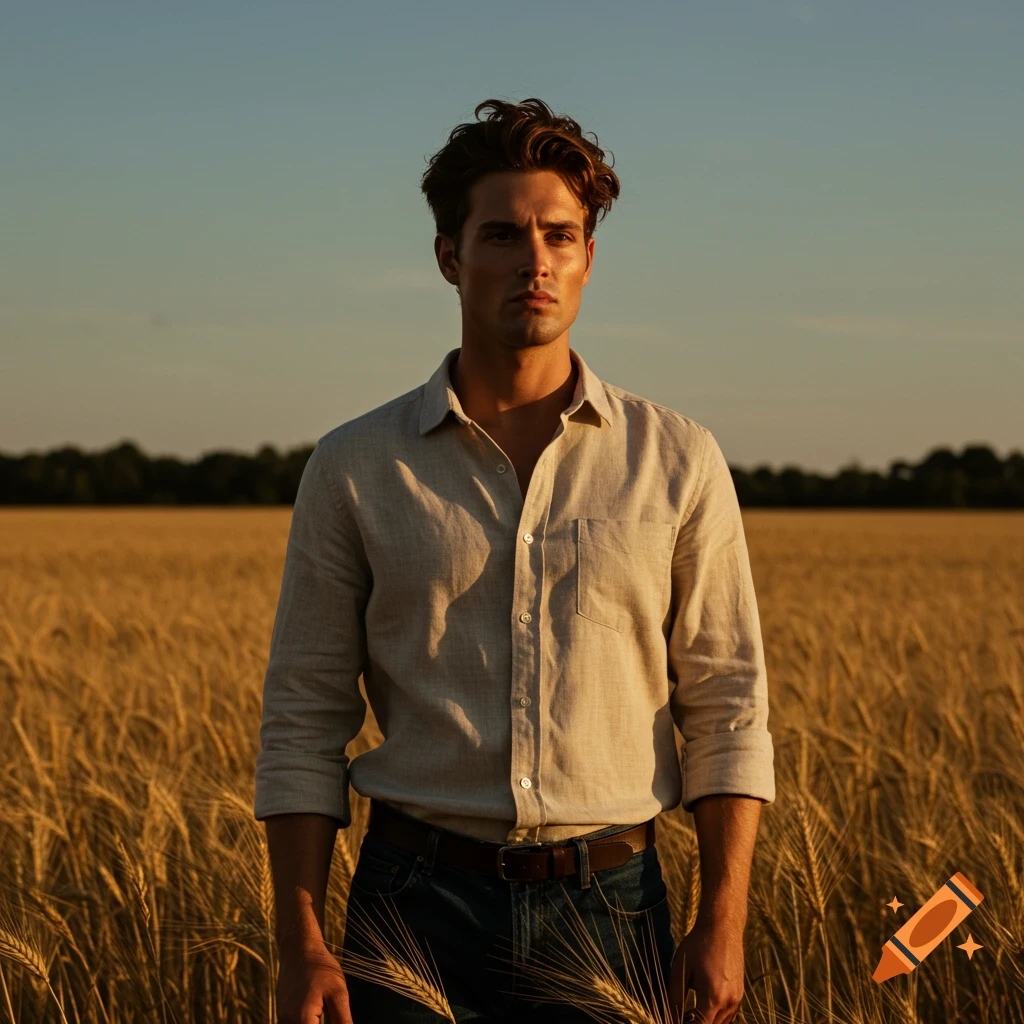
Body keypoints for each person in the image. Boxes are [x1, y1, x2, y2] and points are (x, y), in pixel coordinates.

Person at [254, 97, 775, 1024]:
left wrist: (722, 921)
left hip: (612, 908)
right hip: (414, 904)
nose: (535, 262)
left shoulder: (676, 458)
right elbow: (302, 720)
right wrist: (301, 945)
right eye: (502, 234)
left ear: (587, 257)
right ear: (450, 255)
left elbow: (728, 704)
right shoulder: (355, 466)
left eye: (560, 236)